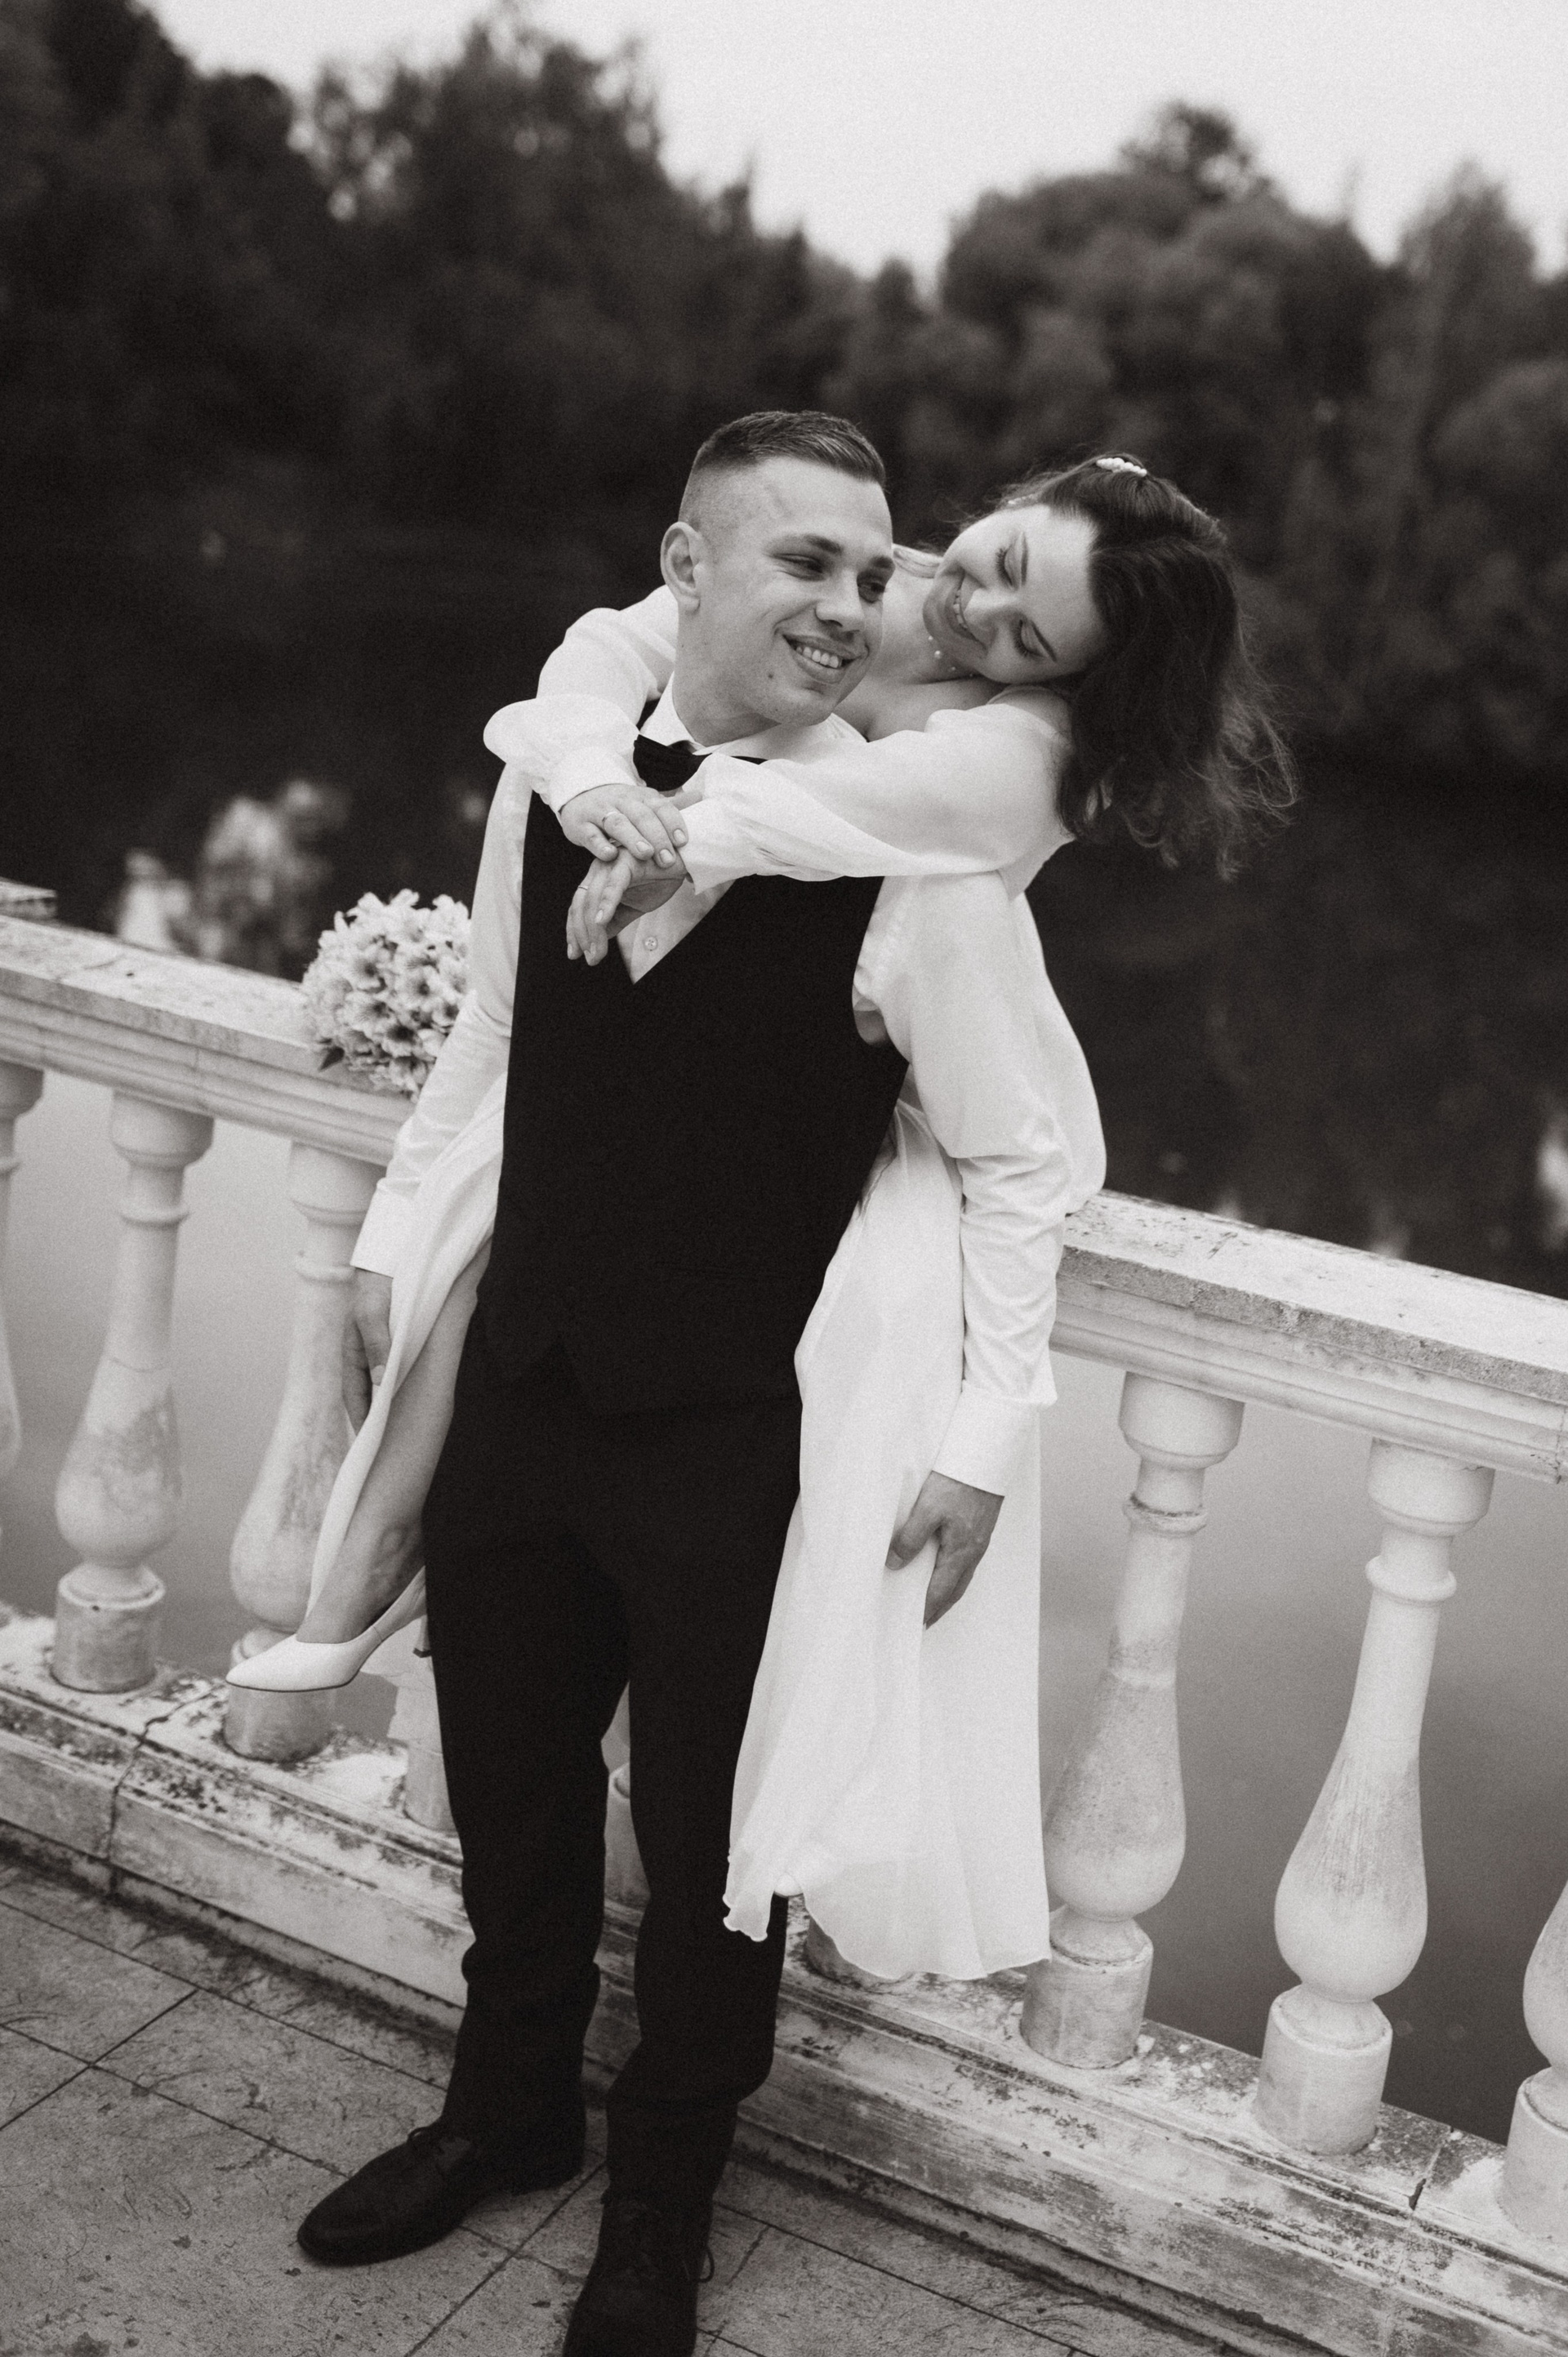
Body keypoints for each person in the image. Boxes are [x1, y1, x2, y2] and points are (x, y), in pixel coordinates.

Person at [240, 411, 1096, 2357]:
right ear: (687, 567)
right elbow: (493, 1028)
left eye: (872, 570)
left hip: (740, 1443)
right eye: (805, 559)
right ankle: (505, 2111)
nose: (852, 603)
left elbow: (1024, 1162)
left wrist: (983, 1434)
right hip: (521, 1382)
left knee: (719, 1858)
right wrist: (395, 1244)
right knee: (513, 1783)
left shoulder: (914, 859)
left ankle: (663, 2198)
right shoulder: (558, 773)